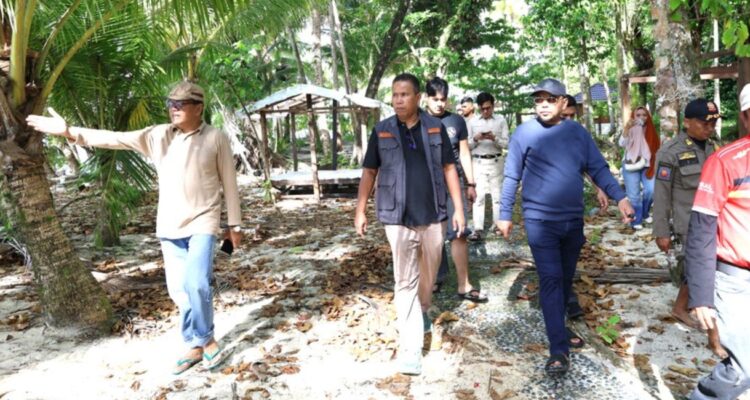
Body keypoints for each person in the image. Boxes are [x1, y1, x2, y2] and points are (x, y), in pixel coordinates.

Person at [26, 82, 242, 375]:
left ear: (199, 107)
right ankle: (193, 344)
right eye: (171, 103)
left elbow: (229, 182)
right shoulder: (158, 135)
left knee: (197, 283)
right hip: (169, 224)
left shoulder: (216, 138)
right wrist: (69, 131)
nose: (174, 108)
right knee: (179, 291)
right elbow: (115, 138)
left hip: (204, 221)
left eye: (181, 103)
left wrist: (234, 225)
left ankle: (206, 338)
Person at [496, 78, 634, 375]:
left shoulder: (577, 133)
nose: (543, 104)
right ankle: (558, 349)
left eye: (550, 99)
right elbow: (511, 176)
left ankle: (559, 327)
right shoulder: (524, 133)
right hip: (539, 220)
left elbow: (598, 167)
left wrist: (620, 197)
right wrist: (504, 213)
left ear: (563, 102)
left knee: (565, 279)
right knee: (551, 279)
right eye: (538, 100)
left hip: (572, 221)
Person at [354, 73, 465, 375]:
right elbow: (369, 172)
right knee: (404, 282)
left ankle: (423, 309)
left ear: (418, 98)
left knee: (427, 278)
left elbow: (449, 167)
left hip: (434, 216)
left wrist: (458, 209)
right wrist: (360, 210)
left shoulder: (435, 128)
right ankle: (410, 347)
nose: (398, 100)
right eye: (395, 95)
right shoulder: (383, 131)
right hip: (397, 219)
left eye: (404, 94)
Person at [685, 84, 750, 400]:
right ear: (746, 117)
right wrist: (700, 296)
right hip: (736, 282)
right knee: (741, 368)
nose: (709, 126)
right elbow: (701, 231)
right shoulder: (726, 161)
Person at [652, 98, 724, 357]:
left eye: (713, 123)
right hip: (689, 224)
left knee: (698, 269)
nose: (710, 128)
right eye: (705, 123)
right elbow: (661, 195)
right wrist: (661, 231)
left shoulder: (716, 147)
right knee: (702, 270)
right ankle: (712, 335)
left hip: (715, 220)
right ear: (687, 123)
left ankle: (680, 307)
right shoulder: (670, 152)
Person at [425, 78, 487, 303]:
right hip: (426, 185)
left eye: (443, 99)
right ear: (426, 98)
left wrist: (471, 184)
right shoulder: (417, 120)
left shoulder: (456, 121)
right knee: (431, 233)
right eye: (435, 99)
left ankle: (464, 284)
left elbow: (464, 153)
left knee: (459, 232)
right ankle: (434, 277)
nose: (439, 104)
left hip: (453, 183)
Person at [467, 92, 508, 241]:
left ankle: (497, 225)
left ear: (493, 106)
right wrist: (476, 139)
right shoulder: (472, 122)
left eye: (488, 108)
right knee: (479, 197)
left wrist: (494, 138)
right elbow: (466, 146)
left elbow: (506, 143)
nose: (485, 111)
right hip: (478, 162)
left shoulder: (501, 120)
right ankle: (478, 229)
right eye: (482, 108)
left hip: (496, 161)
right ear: (478, 107)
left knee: (497, 196)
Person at [620, 106, 661, 230]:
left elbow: (657, 148)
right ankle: (636, 220)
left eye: (644, 115)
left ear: (648, 116)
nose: (641, 117)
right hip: (631, 164)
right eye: (638, 115)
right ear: (633, 116)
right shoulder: (630, 128)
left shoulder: (651, 129)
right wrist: (627, 129)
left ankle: (644, 212)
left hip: (648, 165)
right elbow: (622, 144)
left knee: (651, 190)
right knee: (634, 195)